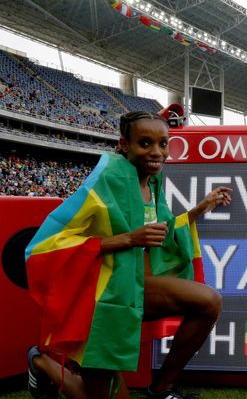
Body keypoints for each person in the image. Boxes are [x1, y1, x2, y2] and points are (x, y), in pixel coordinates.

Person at [24, 110, 232, 399]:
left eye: (163, 144)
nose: (156, 152)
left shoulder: (152, 182)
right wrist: (127, 239)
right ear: (123, 144)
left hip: (132, 289)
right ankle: (41, 361)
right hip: (99, 299)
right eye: (144, 143)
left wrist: (199, 209)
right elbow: (47, 244)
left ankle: (162, 389)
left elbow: (163, 231)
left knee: (209, 301)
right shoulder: (106, 180)